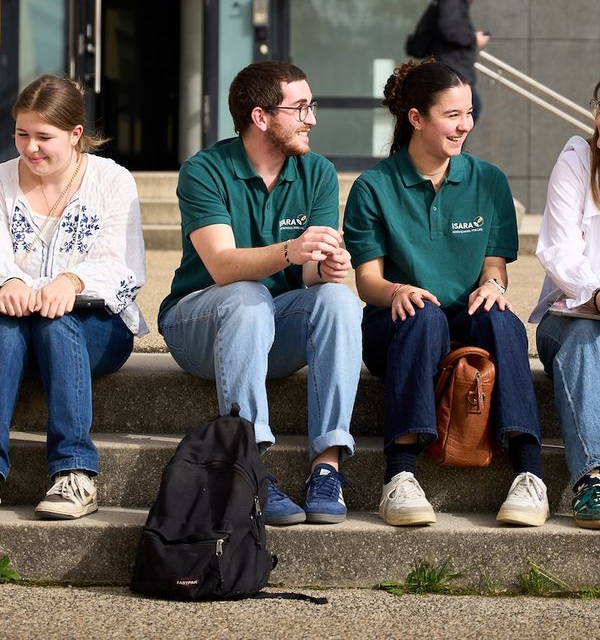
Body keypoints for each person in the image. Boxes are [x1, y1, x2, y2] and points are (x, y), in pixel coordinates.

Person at [343, 58, 548, 528]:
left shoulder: (489, 181)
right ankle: (399, 476)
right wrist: (397, 290)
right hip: (396, 327)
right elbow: (368, 281)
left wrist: (494, 284)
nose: (465, 126)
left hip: (467, 321)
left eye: (469, 113)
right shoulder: (373, 188)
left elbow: (494, 264)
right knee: (424, 313)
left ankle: (530, 475)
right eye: (453, 115)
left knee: (503, 321)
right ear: (416, 118)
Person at [159, 60, 362, 526]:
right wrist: (292, 250)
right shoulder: (205, 170)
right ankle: (248, 466)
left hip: (273, 325)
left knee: (339, 299)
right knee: (247, 296)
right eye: (301, 107)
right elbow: (222, 265)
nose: (312, 119)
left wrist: (327, 267)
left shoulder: (318, 173)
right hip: (200, 327)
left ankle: (327, 465)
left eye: (312, 106)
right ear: (261, 116)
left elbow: (307, 274)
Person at [0, 75, 146, 519]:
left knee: (55, 320)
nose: (31, 148)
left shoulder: (113, 182)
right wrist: (8, 281)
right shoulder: (1, 181)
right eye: (22, 134)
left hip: (96, 328)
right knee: (6, 333)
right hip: (14, 328)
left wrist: (72, 282)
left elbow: (125, 267)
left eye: (44, 137)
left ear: (76, 134)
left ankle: (74, 473)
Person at [531, 82, 600, 529]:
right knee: (583, 337)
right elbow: (558, 252)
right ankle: (592, 478)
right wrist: (597, 294)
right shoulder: (579, 157)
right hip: (569, 315)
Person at [428, 0, 490, 123]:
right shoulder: (451, 0)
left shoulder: (451, 1)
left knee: (463, 112)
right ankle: (452, 147)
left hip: (454, 67)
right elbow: (449, 30)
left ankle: (451, 146)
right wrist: (473, 39)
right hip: (453, 68)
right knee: (471, 110)